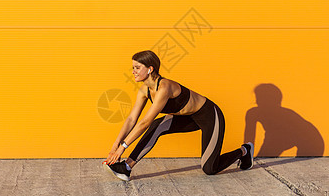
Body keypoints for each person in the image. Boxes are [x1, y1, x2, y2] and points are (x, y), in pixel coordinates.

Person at [103, 50, 253, 181]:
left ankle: (244, 151)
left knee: (209, 168)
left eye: (137, 67)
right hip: (187, 118)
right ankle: (126, 167)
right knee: (158, 126)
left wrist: (122, 148)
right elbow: (131, 119)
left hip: (209, 115)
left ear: (150, 69)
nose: (133, 71)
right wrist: (115, 145)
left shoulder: (164, 87)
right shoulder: (144, 90)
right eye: (133, 68)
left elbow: (145, 122)